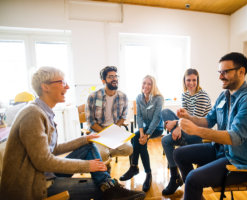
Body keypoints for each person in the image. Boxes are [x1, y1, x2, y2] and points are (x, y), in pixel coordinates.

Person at [0, 66, 145, 200]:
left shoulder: (43, 112)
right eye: (62, 82)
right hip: (34, 184)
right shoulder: (33, 114)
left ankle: (108, 185)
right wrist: (87, 166)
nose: (68, 87)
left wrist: (84, 139)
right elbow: (43, 161)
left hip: (44, 173)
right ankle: (109, 186)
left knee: (88, 146)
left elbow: (54, 149)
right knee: (101, 189)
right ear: (45, 87)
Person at [174, 52, 247, 200]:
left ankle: (192, 192)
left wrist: (197, 131)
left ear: (241, 72)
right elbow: (209, 121)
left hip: (241, 163)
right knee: (178, 154)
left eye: (225, 72)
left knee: (192, 179)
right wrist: (189, 117)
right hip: (222, 150)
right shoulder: (225, 95)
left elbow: (235, 137)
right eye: (219, 72)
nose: (220, 77)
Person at [161, 68, 211, 195]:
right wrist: (178, 124)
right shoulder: (185, 94)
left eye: (194, 80)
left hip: (199, 131)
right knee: (165, 112)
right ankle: (183, 144)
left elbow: (194, 120)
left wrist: (177, 125)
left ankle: (175, 178)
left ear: (197, 81)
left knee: (166, 141)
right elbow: (184, 116)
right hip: (188, 127)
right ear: (184, 81)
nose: (191, 83)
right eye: (188, 80)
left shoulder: (202, 96)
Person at [119, 75, 164, 192]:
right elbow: (138, 116)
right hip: (145, 127)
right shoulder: (139, 98)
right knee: (136, 137)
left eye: (149, 84)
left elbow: (156, 118)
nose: (146, 86)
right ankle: (144, 172)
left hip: (157, 127)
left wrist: (147, 135)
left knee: (138, 140)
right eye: (144, 83)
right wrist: (142, 132)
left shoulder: (158, 98)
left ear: (153, 86)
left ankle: (136, 168)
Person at [86, 66, 133, 165]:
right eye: (111, 77)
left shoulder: (123, 97)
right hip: (98, 131)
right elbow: (91, 122)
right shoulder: (93, 97)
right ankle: (106, 163)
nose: (115, 79)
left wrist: (114, 130)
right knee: (102, 153)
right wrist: (105, 134)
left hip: (114, 131)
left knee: (128, 149)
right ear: (103, 80)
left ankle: (106, 157)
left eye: (116, 76)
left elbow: (123, 117)